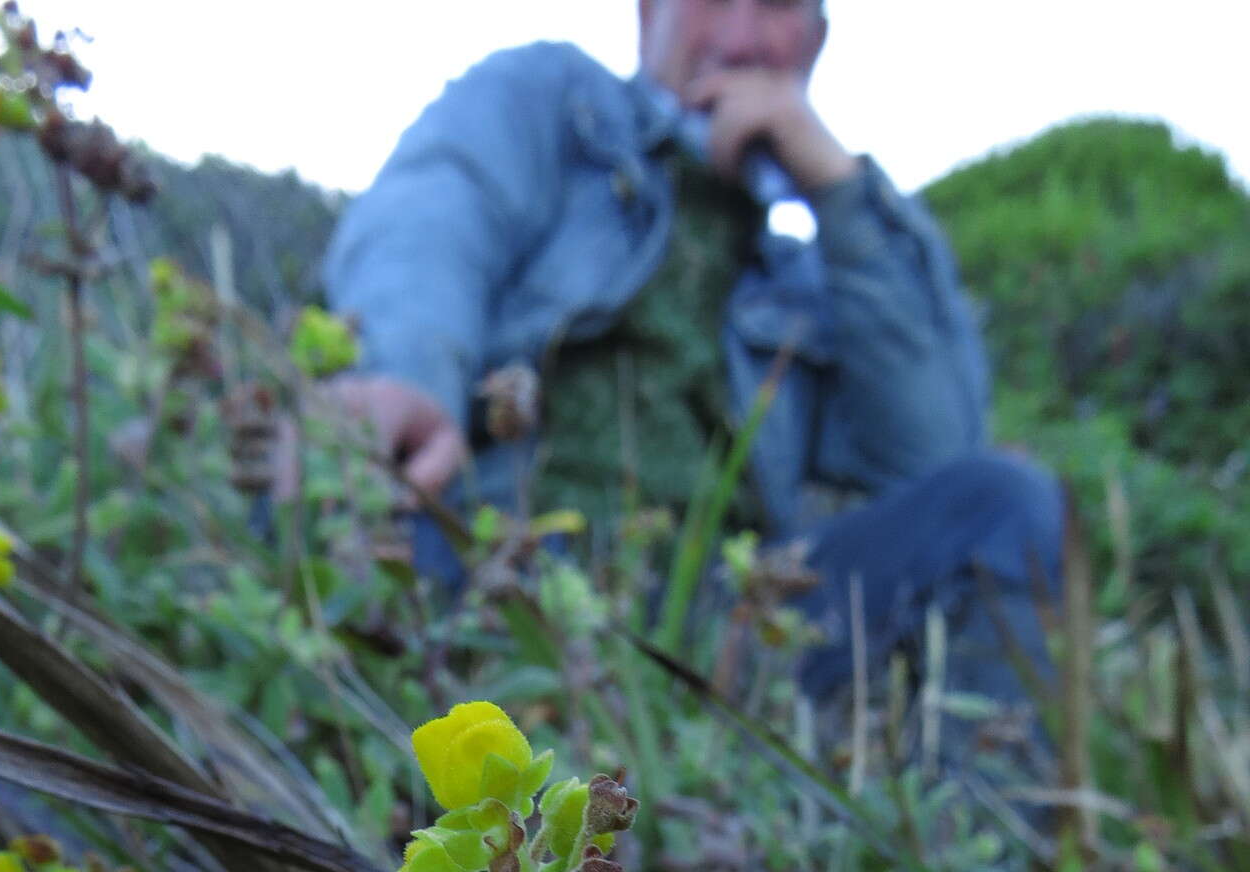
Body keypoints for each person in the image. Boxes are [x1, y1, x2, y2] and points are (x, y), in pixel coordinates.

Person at [320, 0, 1065, 766]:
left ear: (813, 44)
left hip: (723, 627)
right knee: (346, 504)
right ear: (649, 16)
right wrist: (406, 375)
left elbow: (936, 448)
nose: (740, 38)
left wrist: (841, 193)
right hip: (489, 566)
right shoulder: (553, 100)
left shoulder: (806, 283)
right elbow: (436, 215)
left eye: (776, 6)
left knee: (1003, 504)